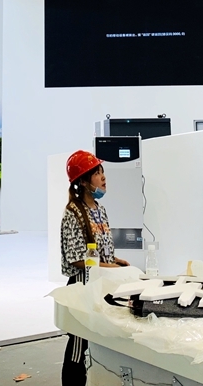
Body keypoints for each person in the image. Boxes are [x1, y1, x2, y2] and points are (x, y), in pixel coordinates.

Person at [60, 150, 128, 386]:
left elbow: (99, 249)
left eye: (102, 172)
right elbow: (76, 257)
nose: (103, 177)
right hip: (83, 288)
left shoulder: (100, 209)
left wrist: (116, 260)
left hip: (102, 284)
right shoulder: (73, 212)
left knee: (97, 341)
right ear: (83, 181)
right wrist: (110, 266)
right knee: (79, 345)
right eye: (97, 173)